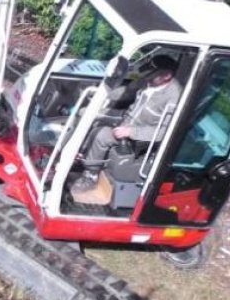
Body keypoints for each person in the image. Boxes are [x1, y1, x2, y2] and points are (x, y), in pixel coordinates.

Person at [71, 54, 181, 196]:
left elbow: (164, 132)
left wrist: (131, 132)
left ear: (167, 76)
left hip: (139, 135)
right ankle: (77, 154)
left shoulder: (174, 96)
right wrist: (103, 95)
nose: (147, 77)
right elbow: (127, 92)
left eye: (152, 74)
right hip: (127, 118)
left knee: (102, 134)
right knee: (85, 113)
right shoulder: (149, 80)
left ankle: (90, 176)